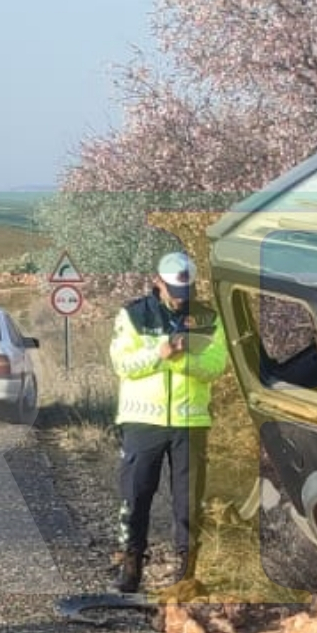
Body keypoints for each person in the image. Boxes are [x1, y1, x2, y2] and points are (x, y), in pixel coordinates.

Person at [108, 250, 230, 593]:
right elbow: (123, 365)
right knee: (135, 496)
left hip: (190, 422)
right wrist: (159, 353)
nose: (180, 301)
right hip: (142, 420)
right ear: (157, 283)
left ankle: (186, 572)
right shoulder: (133, 315)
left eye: (185, 294)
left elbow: (214, 367)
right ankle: (130, 566)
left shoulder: (209, 318)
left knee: (189, 501)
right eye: (174, 294)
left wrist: (178, 361)